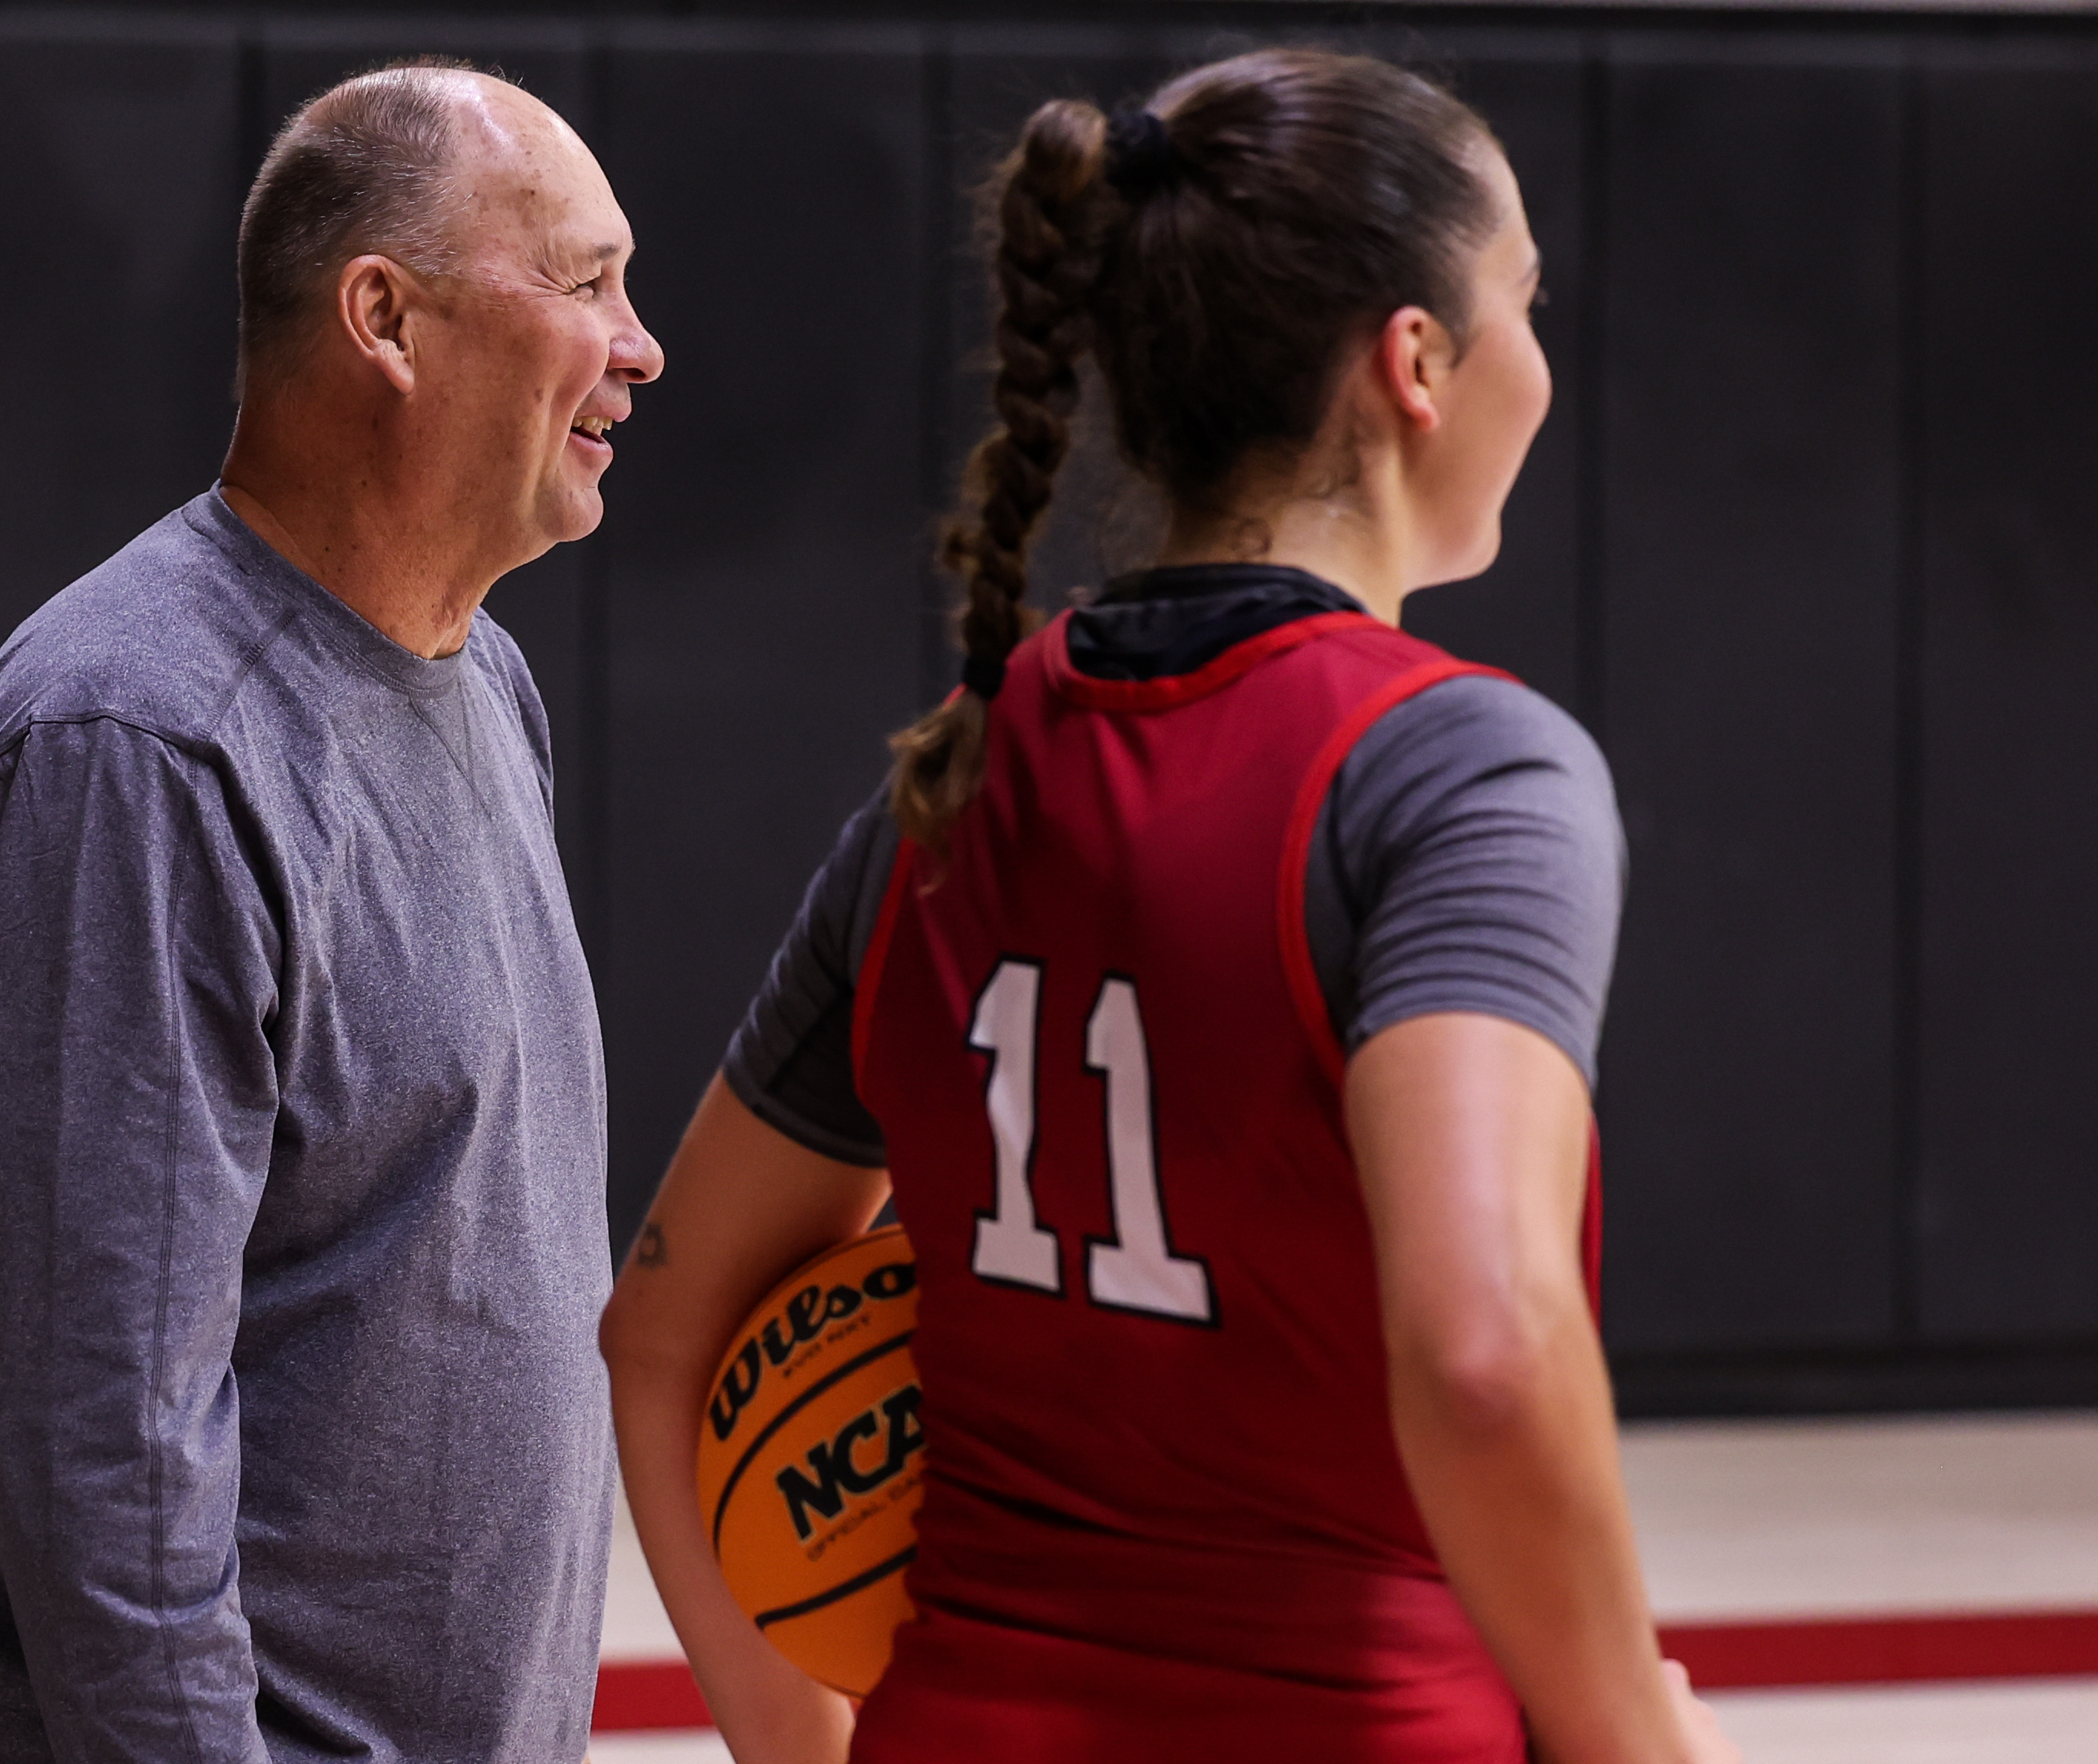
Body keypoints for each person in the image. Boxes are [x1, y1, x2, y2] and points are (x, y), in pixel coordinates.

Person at [604, 48, 1739, 1764]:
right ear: (1415, 362)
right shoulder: (1458, 777)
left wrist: (800, 1744)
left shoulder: (943, 789)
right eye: (1523, 303)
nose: (1543, 363)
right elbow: (1489, 1352)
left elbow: (660, 1338)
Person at [0, 64, 661, 1764]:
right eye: (584, 283)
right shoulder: (138, 750)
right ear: (386, 320)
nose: (638, 349)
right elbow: (106, 1462)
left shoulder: (485, 681)